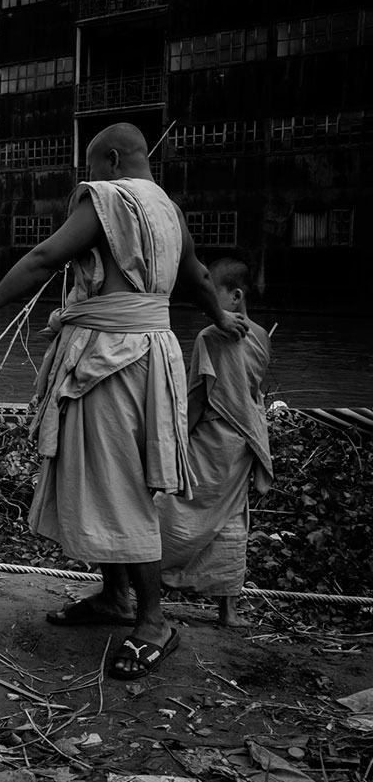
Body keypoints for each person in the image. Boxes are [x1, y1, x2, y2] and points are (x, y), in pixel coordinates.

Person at [0, 122, 249, 679]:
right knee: (102, 474)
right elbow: (193, 275)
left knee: (118, 483)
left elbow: (46, 256)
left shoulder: (109, 198)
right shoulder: (169, 209)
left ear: (112, 159)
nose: (86, 181)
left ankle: (154, 622)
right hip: (149, 354)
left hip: (113, 359)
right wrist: (220, 315)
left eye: (91, 168)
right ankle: (116, 596)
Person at [158, 258, 272, 627]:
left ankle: (144, 583)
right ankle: (228, 611)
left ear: (235, 297)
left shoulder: (210, 336)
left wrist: (176, 442)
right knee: (231, 523)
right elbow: (251, 393)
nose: (205, 304)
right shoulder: (262, 336)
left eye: (212, 295)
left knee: (172, 510)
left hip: (210, 441)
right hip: (242, 444)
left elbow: (198, 397)